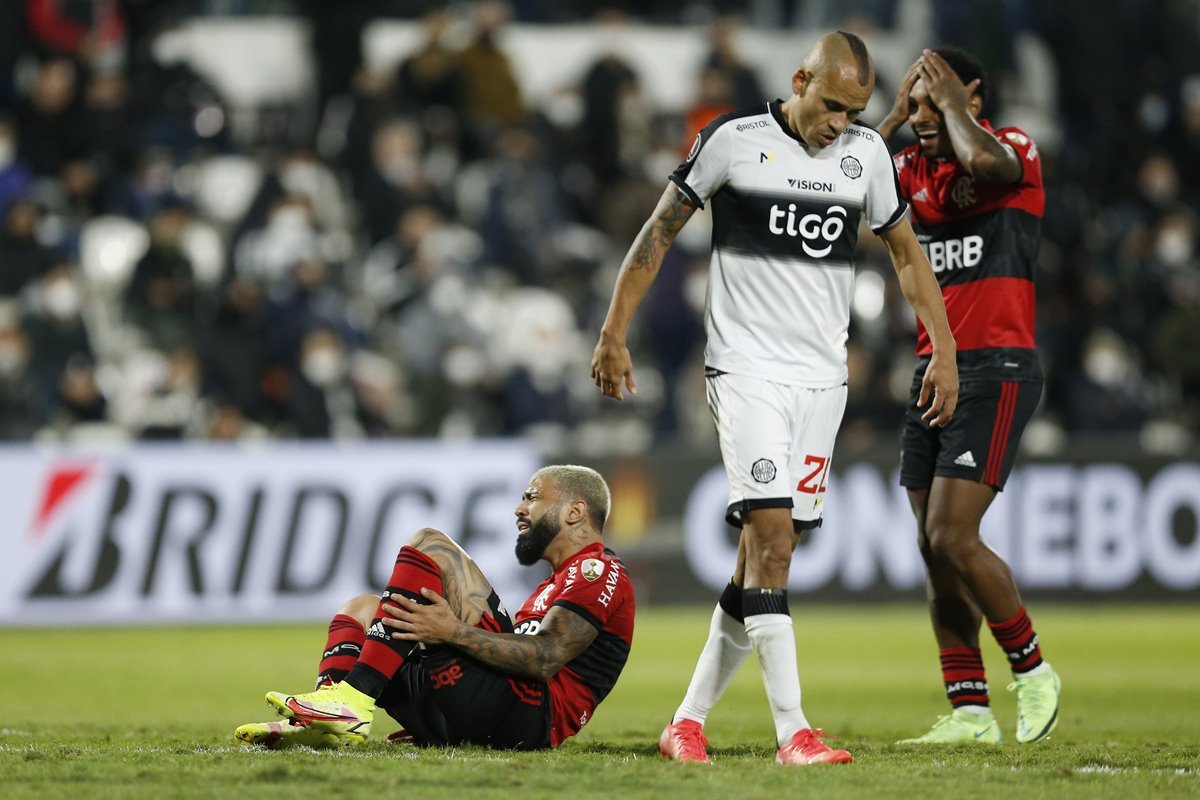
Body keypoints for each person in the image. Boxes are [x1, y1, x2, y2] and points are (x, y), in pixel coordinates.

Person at [591, 31, 959, 766]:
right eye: (829, 105)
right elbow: (656, 236)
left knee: (756, 560)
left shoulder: (864, 157)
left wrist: (944, 347)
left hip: (822, 385)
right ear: (799, 79)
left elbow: (907, 257)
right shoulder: (732, 140)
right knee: (776, 543)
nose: (839, 124)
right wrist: (613, 331)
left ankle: (685, 723)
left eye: (854, 112)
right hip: (746, 372)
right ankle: (794, 731)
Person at [876, 47, 1060, 745]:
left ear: (970, 95)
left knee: (953, 532)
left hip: (999, 366)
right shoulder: (908, 171)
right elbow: (843, 188)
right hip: (934, 371)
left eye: (932, 104)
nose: (920, 119)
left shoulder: (1012, 147)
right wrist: (892, 115)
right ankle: (971, 712)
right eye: (915, 107)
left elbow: (988, 167)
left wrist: (952, 103)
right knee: (932, 548)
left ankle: (1034, 670)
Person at [233, 464, 635, 751]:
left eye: (532, 497)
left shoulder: (598, 571)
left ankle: (352, 700)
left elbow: (546, 659)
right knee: (362, 609)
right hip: (498, 705)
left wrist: (453, 632)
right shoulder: (553, 582)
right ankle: (322, 721)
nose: (519, 509)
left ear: (575, 511)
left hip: (531, 716)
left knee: (431, 543)